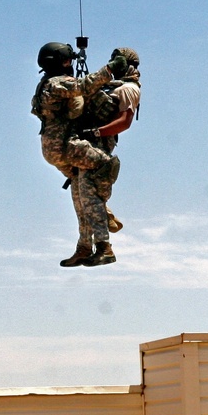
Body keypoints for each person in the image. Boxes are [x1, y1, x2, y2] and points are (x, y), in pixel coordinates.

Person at [30, 42, 129, 266]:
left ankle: (84, 247)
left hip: (52, 150)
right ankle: (104, 242)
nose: (70, 64)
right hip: (67, 147)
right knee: (106, 164)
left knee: (80, 191)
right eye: (67, 60)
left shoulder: (44, 85)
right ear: (57, 63)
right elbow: (84, 86)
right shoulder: (58, 83)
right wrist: (110, 68)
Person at [59, 47, 142, 266]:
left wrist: (96, 132)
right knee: (79, 199)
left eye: (119, 62)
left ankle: (104, 248)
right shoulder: (112, 86)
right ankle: (84, 247)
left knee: (89, 198)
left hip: (98, 148)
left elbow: (125, 122)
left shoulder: (128, 88)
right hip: (86, 144)